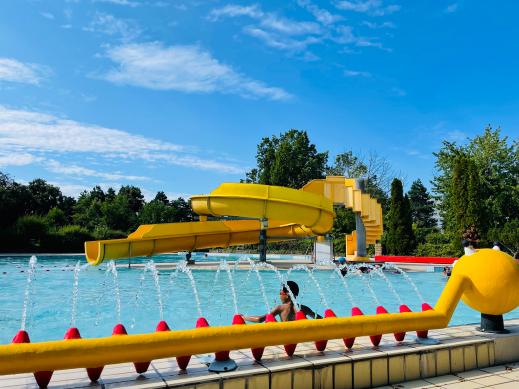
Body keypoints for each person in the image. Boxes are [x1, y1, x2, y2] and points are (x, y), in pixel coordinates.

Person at [241, 281, 322, 322]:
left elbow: (259, 319)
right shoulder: (304, 308)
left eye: (280, 293)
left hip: (285, 338)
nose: (279, 295)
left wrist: (243, 317)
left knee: (270, 320)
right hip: (299, 337)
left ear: (287, 294)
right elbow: (320, 319)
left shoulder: (280, 308)